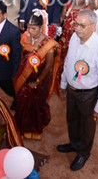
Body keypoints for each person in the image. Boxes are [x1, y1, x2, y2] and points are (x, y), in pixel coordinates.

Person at [57, 9, 98, 171]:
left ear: (94, 26)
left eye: (82, 25)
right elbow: (68, 61)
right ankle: (74, 144)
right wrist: (63, 83)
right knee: (72, 119)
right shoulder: (75, 37)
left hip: (88, 94)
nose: (77, 28)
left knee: (87, 126)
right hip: (72, 90)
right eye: (76, 24)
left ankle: (83, 153)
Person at [14, 10, 60, 139]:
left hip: (40, 79)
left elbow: (49, 66)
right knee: (21, 102)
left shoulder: (48, 44)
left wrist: (37, 81)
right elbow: (23, 57)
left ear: (41, 27)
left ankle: (34, 129)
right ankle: (21, 128)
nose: (30, 30)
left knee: (37, 104)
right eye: (28, 27)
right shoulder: (25, 36)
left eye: (33, 28)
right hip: (24, 75)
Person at [55, 0, 90, 94]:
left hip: (77, 39)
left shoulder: (87, 9)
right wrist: (55, 27)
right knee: (60, 60)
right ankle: (59, 82)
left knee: (71, 61)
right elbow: (62, 17)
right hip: (65, 37)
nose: (78, 1)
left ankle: (71, 83)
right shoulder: (68, 4)